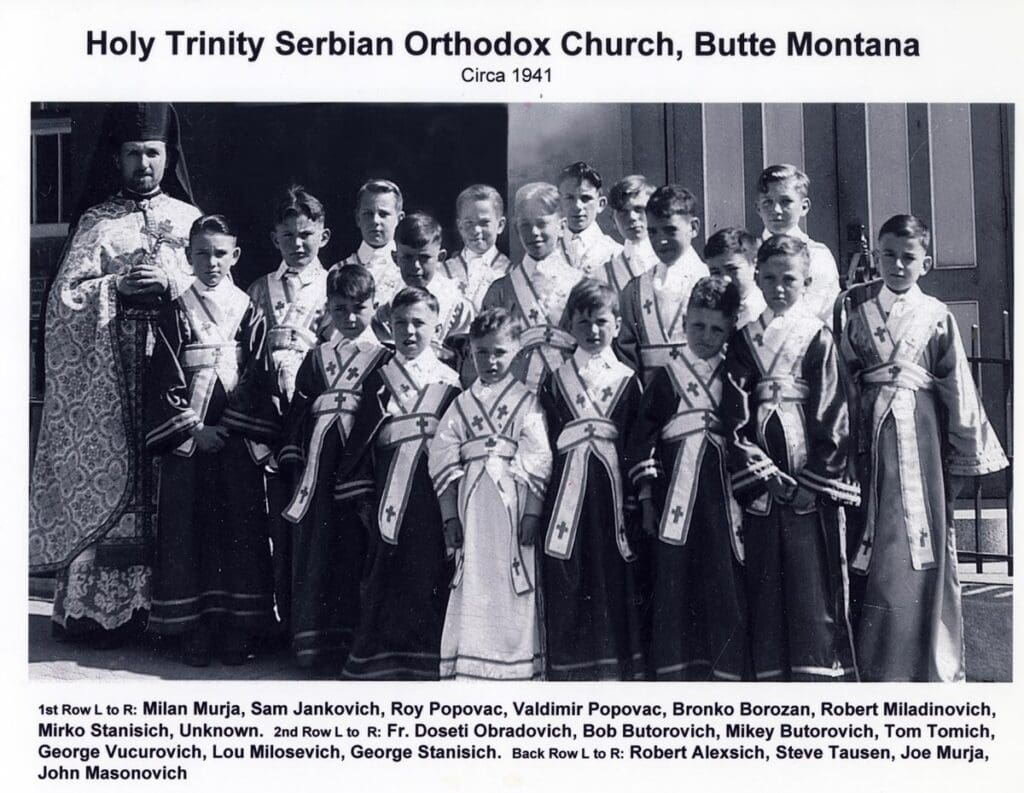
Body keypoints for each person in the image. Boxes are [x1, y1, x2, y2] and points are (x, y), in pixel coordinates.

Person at [29, 102, 201, 645]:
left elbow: (214, 292)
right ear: (118, 158)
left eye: (152, 152)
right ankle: (97, 613)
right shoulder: (97, 221)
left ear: (167, 156)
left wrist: (173, 284)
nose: (143, 163)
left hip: (171, 374)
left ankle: (168, 610)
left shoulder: (190, 221)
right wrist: (115, 288)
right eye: (133, 153)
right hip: (110, 381)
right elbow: (64, 300)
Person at [841, 214, 1008, 682]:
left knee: (925, 548)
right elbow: (846, 383)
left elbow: (957, 385)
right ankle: (876, 665)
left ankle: (930, 662)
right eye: (887, 255)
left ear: (926, 263)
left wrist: (962, 453)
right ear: (875, 257)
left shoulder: (936, 316)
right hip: (870, 448)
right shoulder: (858, 313)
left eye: (908, 256)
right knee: (873, 550)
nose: (896, 264)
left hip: (922, 444)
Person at [721, 234, 860, 681]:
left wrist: (812, 481)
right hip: (766, 480)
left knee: (810, 577)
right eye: (771, 279)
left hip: (806, 479)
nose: (780, 288)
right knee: (764, 575)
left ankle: (816, 668)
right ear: (757, 279)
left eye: (790, 279)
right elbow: (735, 413)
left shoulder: (817, 336)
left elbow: (834, 408)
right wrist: (763, 474)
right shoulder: (745, 339)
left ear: (807, 281)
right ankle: (769, 670)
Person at [145, 214, 277, 666]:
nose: (211, 262)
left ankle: (238, 626)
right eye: (202, 252)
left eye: (220, 253)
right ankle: (193, 628)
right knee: (189, 531)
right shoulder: (175, 309)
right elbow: (163, 375)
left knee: (239, 531)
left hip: (235, 440)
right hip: (194, 443)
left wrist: (232, 428)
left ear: (235, 255)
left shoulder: (249, 310)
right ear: (188, 256)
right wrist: (195, 430)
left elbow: (259, 376)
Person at [629, 276, 751, 681]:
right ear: (684, 322)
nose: (706, 336)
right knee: (675, 579)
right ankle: (676, 673)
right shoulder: (667, 374)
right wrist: (646, 498)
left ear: (730, 329)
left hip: (721, 490)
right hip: (674, 491)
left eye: (717, 329)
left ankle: (726, 672)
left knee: (723, 576)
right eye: (697, 326)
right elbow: (645, 434)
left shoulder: (736, 372)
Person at [338, 287, 461, 679]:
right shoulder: (379, 380)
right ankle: (382, 658)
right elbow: (362, 438)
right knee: (384, 570)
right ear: (389, 327)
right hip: (388, 485)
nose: (409, 332)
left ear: (436, 326)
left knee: (429, 570)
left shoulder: (451, 379)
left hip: (431, 490)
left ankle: (427, 658)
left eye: (419, 323)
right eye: (401, 323)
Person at [430, 308, 552, 679]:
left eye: (500, 352)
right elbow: (442, 455)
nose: (491, 360)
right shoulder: (461, 404)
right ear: (470, 353)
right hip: (474, 504)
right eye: (482, 352)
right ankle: (472, 662)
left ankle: (516, 665)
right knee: (475, 577)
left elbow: (538, 454)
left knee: (515, 578)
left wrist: (532, 511)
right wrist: (450, 515)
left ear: (516, 353)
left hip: (513, 503)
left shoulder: (526, 400)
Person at [278, 264, 389, 669]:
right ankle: (315, 646)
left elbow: (381, 415)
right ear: (328, 308)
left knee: (355, 552)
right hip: (318, 468)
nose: (350, 317)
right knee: (318, 551)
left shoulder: (384, 357)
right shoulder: (316, 357)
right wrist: (295, 453)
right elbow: (300, 408)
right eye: (340, 309)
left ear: (374, 306)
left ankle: (356, 647)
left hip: (358, 465)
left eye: (359, 308)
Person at [539, 280, 644, 681]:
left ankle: (614, 665)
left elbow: (635, 438)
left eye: (601, 322)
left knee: (612, 574)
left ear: (616, 325)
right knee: (570, 569)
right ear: (571, 325)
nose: (593, 331)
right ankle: (570, 665)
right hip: (567, 492)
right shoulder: (556, 379)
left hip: (612, 493)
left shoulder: (627, 378)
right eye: (583, 322)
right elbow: (546, 437)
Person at [246, 185, 334, 636]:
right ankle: (277, 623)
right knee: (274, 518)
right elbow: (247, 358)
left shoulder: (336, 282)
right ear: (274, 238)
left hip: (317, 417)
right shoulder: (260, 288)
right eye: (288, 236)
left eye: (306, 234)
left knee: (317, 522)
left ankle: (312, 625)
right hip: (273, 420)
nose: (298, 244)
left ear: (323, 234)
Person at [481, 182, 581, 392]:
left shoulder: (580, 286)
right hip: (515, 393)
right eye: (525, 225)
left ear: (562, 227)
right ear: (517, 229)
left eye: (542, 223)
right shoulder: (500, 291)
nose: (534, 232)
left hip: (569, 391)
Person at [616, 184, 709, 386]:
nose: (661, 241)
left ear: (693, 227)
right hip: (651, 406)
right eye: (653, 232)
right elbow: (627, 356)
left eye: (670, 230)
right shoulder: (636, 290)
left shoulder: (709, 280)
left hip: (703, 397)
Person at [373, 212, 474, 362]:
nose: (416, 266)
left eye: (424, 258)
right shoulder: (383, 299)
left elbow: (465, 356)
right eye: (407, 257)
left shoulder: (456, 303)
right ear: (395, 258)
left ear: (440, 258)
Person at [753, 164, 840, 323]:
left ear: (804, 206)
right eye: (768, 202)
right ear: (758, 208)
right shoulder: (749, 254)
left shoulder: (817, 256)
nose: (777, 210)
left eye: (786, 201)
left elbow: (825, 312)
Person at [441, 184, 512, 309]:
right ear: (460, 226)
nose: (476, 230)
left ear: (500, 225)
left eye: (484, 223)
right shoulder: (443, 272)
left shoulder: (509, 272)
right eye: (469, 223)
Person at [337, 179, 406, 308]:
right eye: (368, 214)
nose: (375, 220)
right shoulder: (339, 270)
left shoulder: (408, 271)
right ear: (358, 218)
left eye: (383, 214)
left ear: (399, 218)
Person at [556, 161, 622, 278]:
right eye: (569, 198)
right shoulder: (550, 249)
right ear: (559, 203)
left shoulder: (614, 253)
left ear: (601, 204)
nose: (577, 206)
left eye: (586, 198)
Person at [601, 174, 659, 293]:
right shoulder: (608, 269)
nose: (632, 217)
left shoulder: (670, 256)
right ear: (613, 218)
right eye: (623, 211)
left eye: (639, 209)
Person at [705, 227, 765, 330]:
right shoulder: (708, 313)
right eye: (715, 272)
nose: (725, 279)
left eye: (732, 269)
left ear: (755, 265)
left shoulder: (765, 311)